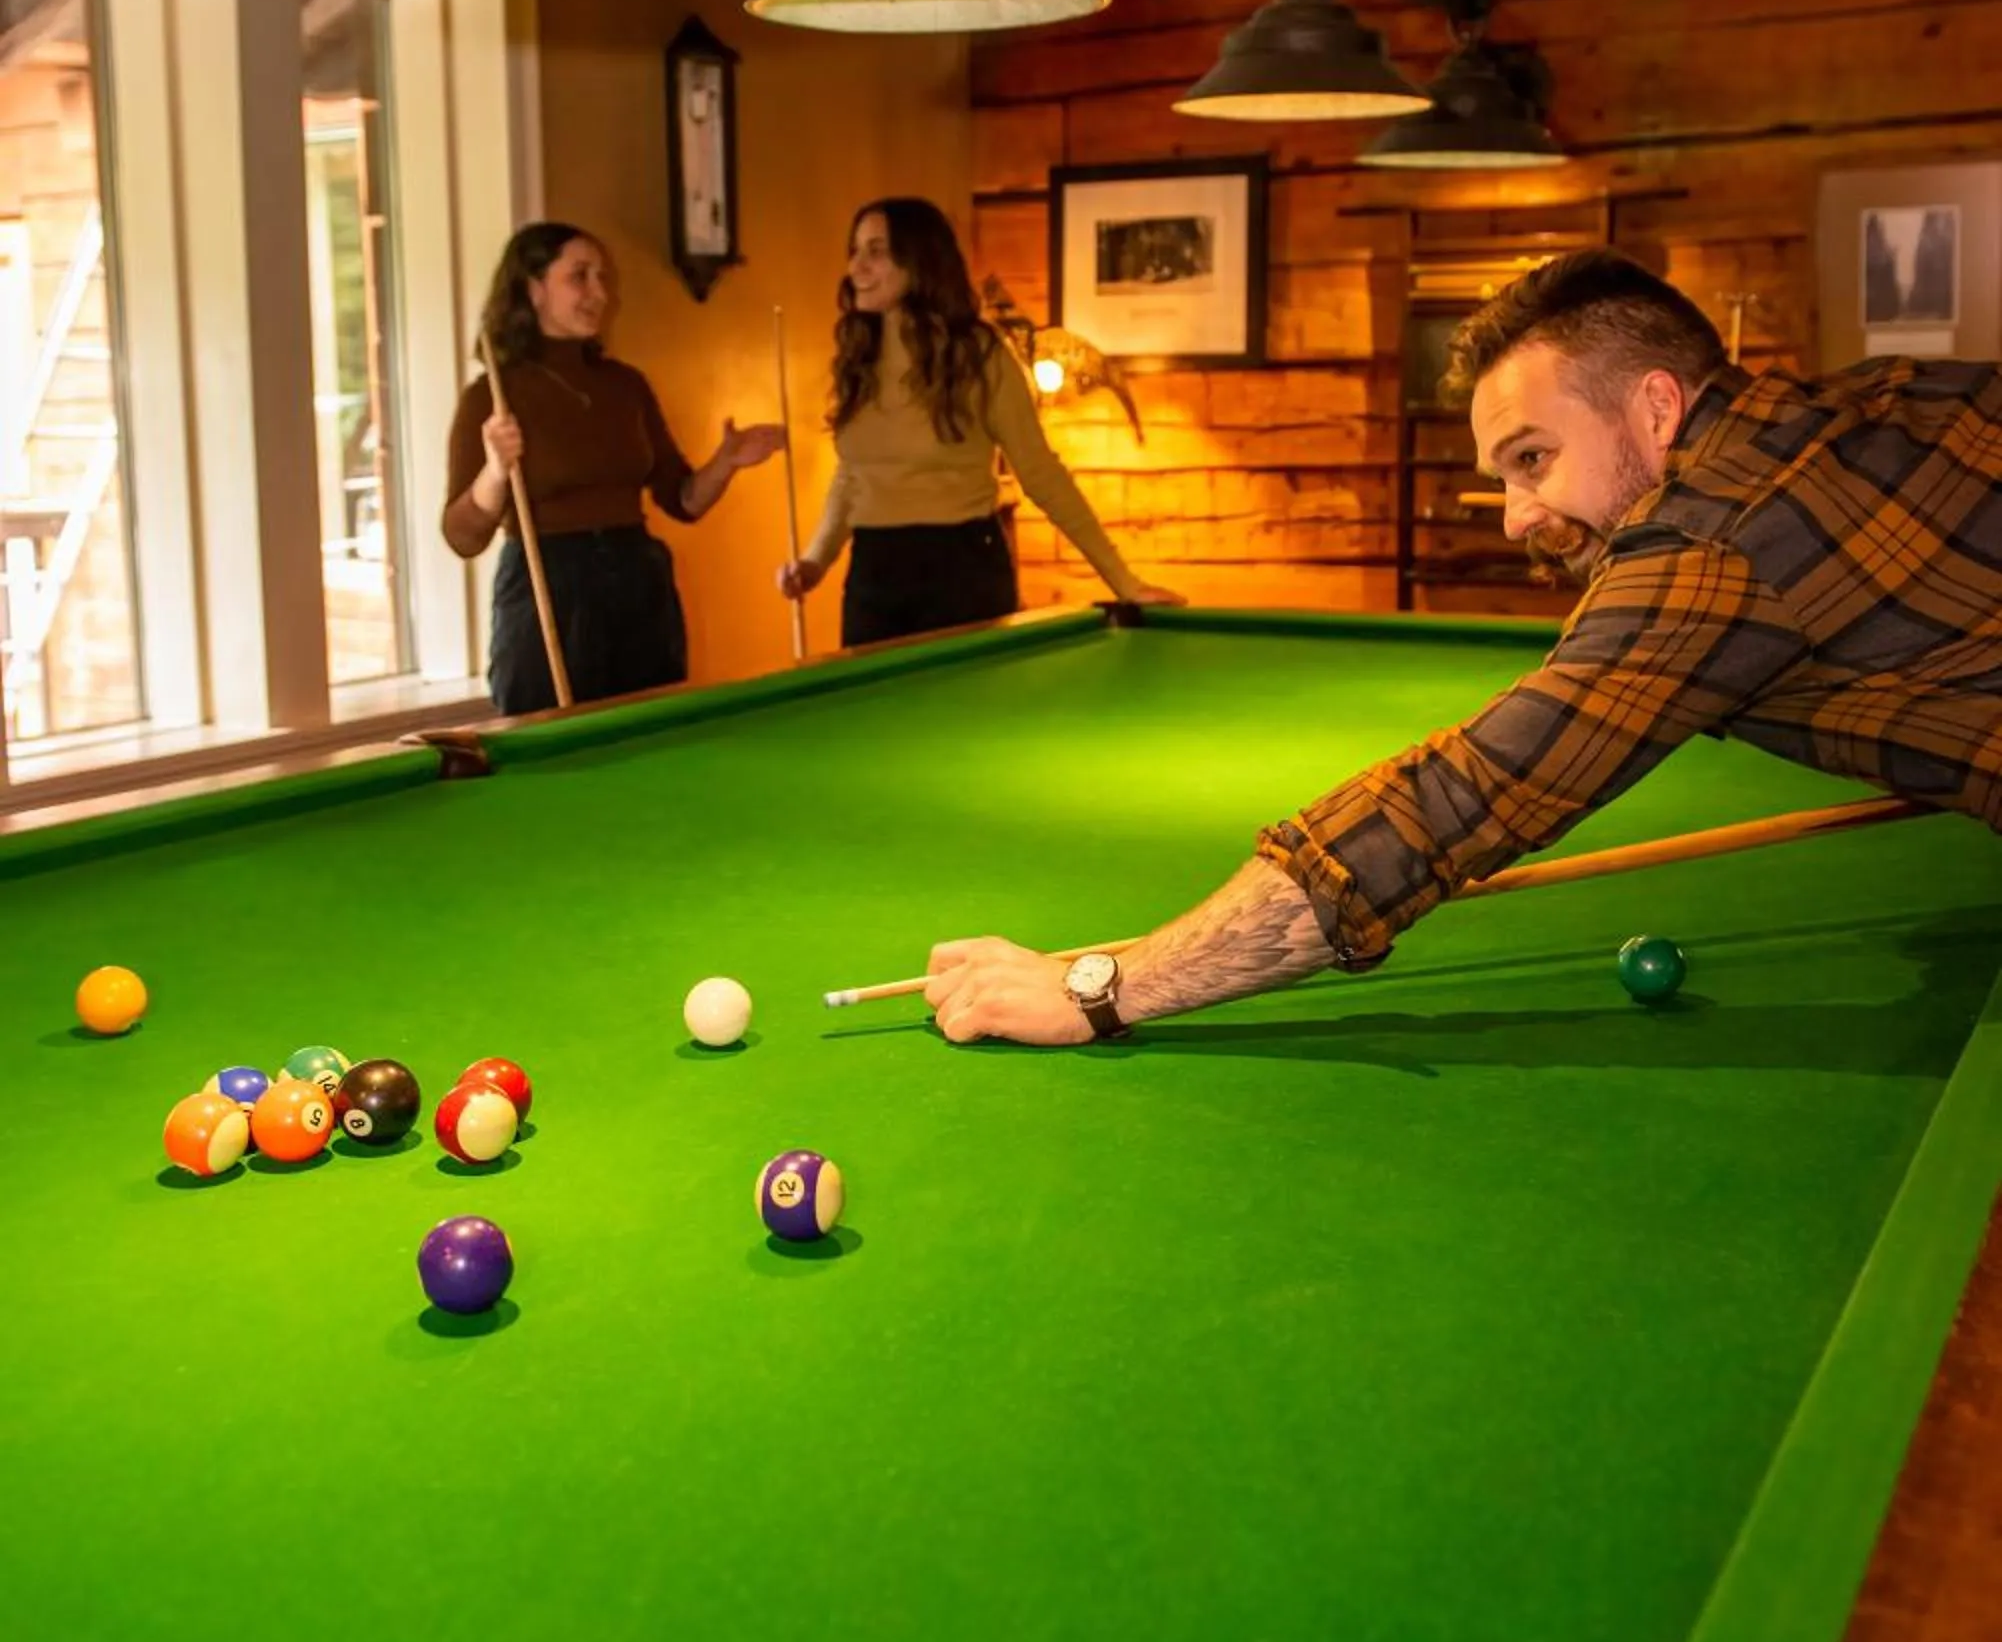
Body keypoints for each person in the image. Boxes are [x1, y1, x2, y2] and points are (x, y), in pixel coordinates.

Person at [923, 246, 2002, 1045]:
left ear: (1656, 408)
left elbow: (1461, 799)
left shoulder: (1714, 543)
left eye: (1532, 458)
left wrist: (1103, 987)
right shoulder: (1873, 399)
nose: (1516, 515)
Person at [778, 197, 1181, 646]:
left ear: (919, 261)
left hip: (961, 569)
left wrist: (1124, 583)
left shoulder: (978, 355)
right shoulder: (857, 355)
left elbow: (1041, 474)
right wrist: (814, 561)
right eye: (854, 251)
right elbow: (853, 476)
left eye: (876, 251)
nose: (856, 267)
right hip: (874, 573)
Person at [443, 221, 782, 714]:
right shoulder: (491, 396)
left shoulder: (626, 386)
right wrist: (494, 471)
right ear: (533, 289)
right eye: (579, 276)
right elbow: (461, 537)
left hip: (637, 583)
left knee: (652, 736)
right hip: (548, 589)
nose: (600, 293)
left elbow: (683, 501)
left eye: (602, 277)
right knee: (552, 746)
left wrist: (726, 462)